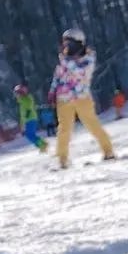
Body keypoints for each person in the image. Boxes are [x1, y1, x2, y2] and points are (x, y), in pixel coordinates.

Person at [50, 26, 115, 168]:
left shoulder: (88, 58)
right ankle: (62, 159)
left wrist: (66, 61)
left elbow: (80, 72)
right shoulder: (64, 59)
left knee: (92, 124)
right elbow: (58, 75)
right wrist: (52, 91)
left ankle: (108, 150)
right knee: (64, 129)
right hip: (64, 98)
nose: (66, 46)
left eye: (69, 43)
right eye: (65, 43)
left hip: (81, 98)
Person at [13, 82, 47, 152]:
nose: (16, 95)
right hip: (27, 120)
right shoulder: (21, 102)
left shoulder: (26, 98)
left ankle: (42, 145)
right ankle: (42, 145)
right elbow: (22, 116)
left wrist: (28, 112)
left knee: (29, 134)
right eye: (16, 94)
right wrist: (22, 125)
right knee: (29, 134)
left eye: (17, 93)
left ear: (21, 93)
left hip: (31, 118)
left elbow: (29, 104)